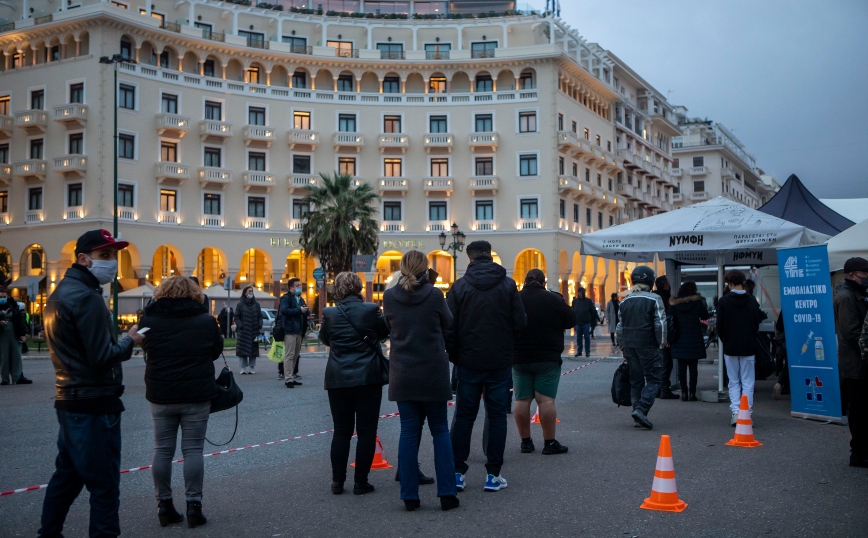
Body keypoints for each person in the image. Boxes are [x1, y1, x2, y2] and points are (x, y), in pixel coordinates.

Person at [38, 229, 145, 538]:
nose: (112, 263)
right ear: (84, 259)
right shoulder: (87, 298)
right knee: (104, 488)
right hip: (95, 404)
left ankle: (48, 533)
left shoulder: (60, 292)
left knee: (67, 478)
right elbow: (102, 357)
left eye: (114, 256)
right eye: (105, 256)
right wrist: (130, 340)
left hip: (69, 398)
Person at [140, 276, 223, 528]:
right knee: (193, 450)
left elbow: (145, 350)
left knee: (162, 450)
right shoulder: (206, 321)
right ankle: (193, 506)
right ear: (194, 294)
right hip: (196, 394)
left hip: (161, 393)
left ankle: (164, 505)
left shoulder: (149, 321)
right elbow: (216, 351)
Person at [446, 240, 526, 493]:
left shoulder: (459, 287)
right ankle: (493, 474)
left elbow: (449, 327)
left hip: (468, 361)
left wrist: (456, 355)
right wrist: (508, 346)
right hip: (499, 361)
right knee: (496, 416)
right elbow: (520, 322)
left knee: (464, 417)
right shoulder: (508, 285)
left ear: (469, 259)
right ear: (490, 256)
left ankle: (457, 472)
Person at [383, 251, 459, 512]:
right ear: (426, 269)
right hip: (433, 372)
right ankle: (447, 493)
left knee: (408, 431)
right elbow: (448, 323)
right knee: (440, 431)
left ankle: (409, 496)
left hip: (403, 372)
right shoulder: (435, 295)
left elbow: (389, 326)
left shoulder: (390, 296)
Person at [320, 272, 389, 495]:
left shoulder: (329, 313)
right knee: (367, 432)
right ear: (359, 287)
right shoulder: (370, 310)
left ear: (338, 289)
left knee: (341, 431)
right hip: (368, 377)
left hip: (338, 377)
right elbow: (384, 333)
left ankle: (337, 482)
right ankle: (361, 481)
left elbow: (324, 338)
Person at [512, 269, 576, 455]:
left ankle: (526, 442)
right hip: (547, 356)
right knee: (546, 400)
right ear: (543, 282)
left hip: (519, 356)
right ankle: (549, 443)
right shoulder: (553, 299)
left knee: (522, 399)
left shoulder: (515, 298)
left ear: (524, 281)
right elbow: (571, 319)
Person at [615, 266, 665, 430]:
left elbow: (620, 328)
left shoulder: (624, 301)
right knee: (654, 378)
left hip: (629, 345)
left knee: (636, 380)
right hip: (648, 344)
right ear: (651, 281)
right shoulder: (654, 299)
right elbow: (660, 324)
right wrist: (662, 342)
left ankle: (637, 413)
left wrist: (622, 346)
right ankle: (641, 409)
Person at [716, 270, 764, 426]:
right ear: (742, 283)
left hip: (730, 346)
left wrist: (726, 340)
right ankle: (747, 413)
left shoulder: (723, 302)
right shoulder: (751, 301)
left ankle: (736, 412)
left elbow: (720, 327)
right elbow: (756, 323)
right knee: (748, 382)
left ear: (729, 283)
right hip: (749, 346)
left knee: (733, 381)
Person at [834, 257, 868, 468]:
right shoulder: (847, 297)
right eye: (865, 275)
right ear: (852, 275)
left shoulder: (856, 294)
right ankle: (859, 454)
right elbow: (851, 333)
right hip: (856, 365)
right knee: (859, 411)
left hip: (859, 362)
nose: (867, 279)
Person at [669, 281, 710, 402]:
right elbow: (705, 317)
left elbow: (670, 319)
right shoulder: (697, 302)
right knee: (693, 366)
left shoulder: (674, 304)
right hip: (694, 337)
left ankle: (684, 393)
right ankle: (692, 393)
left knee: (681, 366)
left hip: (679, 337)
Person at [280, 278, 310, 388]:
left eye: (300, 285)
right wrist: (299, 310)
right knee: (290, 355)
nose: (299, 287)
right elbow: (284, 310)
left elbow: (305, 309)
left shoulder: (300, 299)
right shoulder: (286, 298)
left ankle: (292, 375)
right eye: (297, 285)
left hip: (299, 330)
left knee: (296, 355)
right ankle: (288, 379)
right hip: (290, 330)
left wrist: (308, 314)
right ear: (291, 287)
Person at [653, 276, 679, 400]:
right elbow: (664, 320)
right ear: (664, 285)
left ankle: (659, 389)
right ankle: (664, 389)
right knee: (666, 363)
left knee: (661, 363)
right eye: (668, 283)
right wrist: (665, 338)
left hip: (656, 336)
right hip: (662, 337)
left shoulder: (655, 297)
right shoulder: (663, 299)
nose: (670, 284)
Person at [0, 286, 30, 385]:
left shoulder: (13, 305)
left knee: (16, 355)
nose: (2, 298)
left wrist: (23, 334)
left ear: (7, 296)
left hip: (14, 333)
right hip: (2, 334)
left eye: (4, 296)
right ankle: (5, 379)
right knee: (4, 356)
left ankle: (17, 377)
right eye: (0, 297)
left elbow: (20, 319)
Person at [235, 285, 262, 374]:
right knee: (243, 350)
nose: (251, 293)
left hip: (254, 330)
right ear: (245, 293)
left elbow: (260, 316)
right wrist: (240, 325)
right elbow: (236, 316)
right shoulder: (240, 305)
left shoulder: (256, 305)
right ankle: (243, 368)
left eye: (252, 291)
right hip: (244, 331)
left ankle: (252, 367)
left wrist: (260, 324)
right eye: (249, 291)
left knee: (253, 350)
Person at [571, 287, 595, 358]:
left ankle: (587, 352)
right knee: (579, 338)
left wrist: (593, 322)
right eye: (580, 293)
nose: (581, 294)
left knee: (587, 337)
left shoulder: (588, 301)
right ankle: (579, 351)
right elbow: (573, 312)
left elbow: (592, 311)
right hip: (578, 322)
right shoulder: (575, 301)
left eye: (582, 293)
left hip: (586, 322)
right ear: (578, 293)